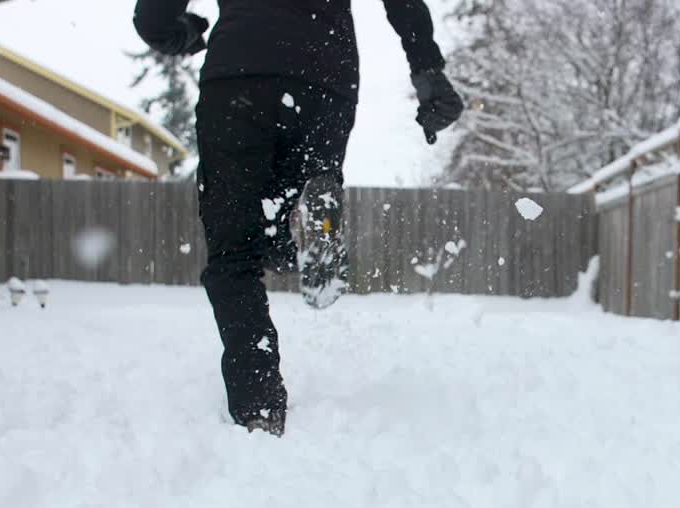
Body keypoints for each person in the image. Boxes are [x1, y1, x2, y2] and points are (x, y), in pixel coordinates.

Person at [133, 0, 463, 438]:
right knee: (284, 219)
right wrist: (427, 71)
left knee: (236, 253)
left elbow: (153, 16)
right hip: (324, 77)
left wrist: (184, 33)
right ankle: (308, 208)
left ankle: (259, 406)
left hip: (239, 74)